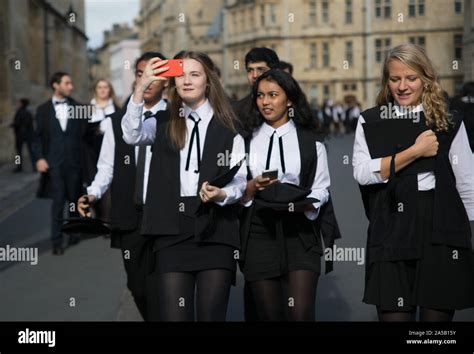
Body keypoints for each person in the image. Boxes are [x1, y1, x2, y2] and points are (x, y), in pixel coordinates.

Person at [121, 50, 247, 321]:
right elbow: (131, 134)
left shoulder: (229, 126)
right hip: (171, 230)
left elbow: (240, 180)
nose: (187, 81)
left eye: (195, 74)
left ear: (208, 81)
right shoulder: (162, 122)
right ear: (172, 82)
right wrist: (143, 85)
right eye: (180, 75)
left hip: (216, 229)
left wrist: (221, 193)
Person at [352, 44, 474, 322]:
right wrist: (414, 152)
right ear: (387, 82)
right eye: (395, 79)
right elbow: (361, 172)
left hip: (441, 226)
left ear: (425, 80)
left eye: (411, 78)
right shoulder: (370, 121)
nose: (403, 86)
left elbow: (467, 181)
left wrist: (466, 238)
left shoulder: (449, 120)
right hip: (391, 225)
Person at [239, 69, 338, 321]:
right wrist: (250, 188)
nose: (265, 101)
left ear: (290, 99)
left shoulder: (311, 139)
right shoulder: (246, 139)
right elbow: (236, 188)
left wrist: (308, 205)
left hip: (301, 233)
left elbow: (321, 187)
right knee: (270, 316)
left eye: (273, 95)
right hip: (260, 231)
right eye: (260, 95)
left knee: (300, 313)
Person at [77, 52, 168, 320]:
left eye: (155, 75)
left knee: (167, 284)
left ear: (166, 81)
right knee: (137, 286)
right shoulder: (116, 122)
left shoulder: (178, 118)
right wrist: (92, 194)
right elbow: (106, 166)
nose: (148, 80)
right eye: (142, 74)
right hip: (130, 215)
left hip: (167, 216)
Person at [32, 72, 84, 255]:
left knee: (74, 200)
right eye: (67, 83)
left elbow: (84, 136)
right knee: (58, 202)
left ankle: (74, 232)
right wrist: (39, 158)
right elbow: (36, 138)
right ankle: (56, 241)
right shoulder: (43, 110)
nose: (71, 86)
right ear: (55, 85)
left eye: (71, 83)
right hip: (54, 164)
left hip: (74, 163)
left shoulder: (78, 108)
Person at [81, 79, 120, 222]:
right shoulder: (87, 109)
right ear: (95, 90)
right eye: (100, 87)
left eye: (106, 87)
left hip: (112, 152)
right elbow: (81, 134)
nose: (103, 90)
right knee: (94, 183)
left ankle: (109, 218)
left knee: (112, 185)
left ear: (110, 89)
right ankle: (100, 217)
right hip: (92, 154)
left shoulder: (117, 108)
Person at [232, 47, 280, 136]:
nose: (254, 75)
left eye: (261, 70)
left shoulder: (289, 106)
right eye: (250, 70)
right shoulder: (236, 111)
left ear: (275, 71)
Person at [10, 98, 35, 172]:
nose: (17, 104)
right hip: (28, 134)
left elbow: (17, 123)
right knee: (31, 152)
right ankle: (34, 166)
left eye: (19, 103)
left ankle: (19, 167)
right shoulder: (29, 112)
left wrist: (13, 125)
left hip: (20, 135)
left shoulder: (19, 112)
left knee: (18, 153)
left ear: (22, 104)